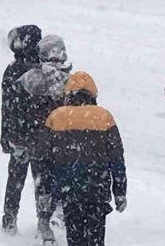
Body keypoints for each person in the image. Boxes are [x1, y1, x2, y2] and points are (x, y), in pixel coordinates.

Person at [38, 71, 127, 246]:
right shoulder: (105, 117)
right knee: (96, 238)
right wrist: (120, 191)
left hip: (69, 189)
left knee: (75, 236)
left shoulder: (56, 117)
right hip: (97, 188)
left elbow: (44, 159)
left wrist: (45, 190)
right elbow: (117, 158)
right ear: (93, 93)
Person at [1, 24, 56, 242]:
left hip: (19, 135)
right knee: (42, 181)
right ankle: (43, 221)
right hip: (40, 137)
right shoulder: (46, 69)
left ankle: (10, 218)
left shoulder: (15, 69)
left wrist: (5, 135)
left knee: (16, 178)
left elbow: (6, 106)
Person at [19, 34, 74, 235]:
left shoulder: (29, 80)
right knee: (62, 183)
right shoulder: (70, 81)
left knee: (42, 185)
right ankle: (60, 218)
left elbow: (20, 113)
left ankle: (44, 223)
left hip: (37, 143)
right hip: (62, 144)